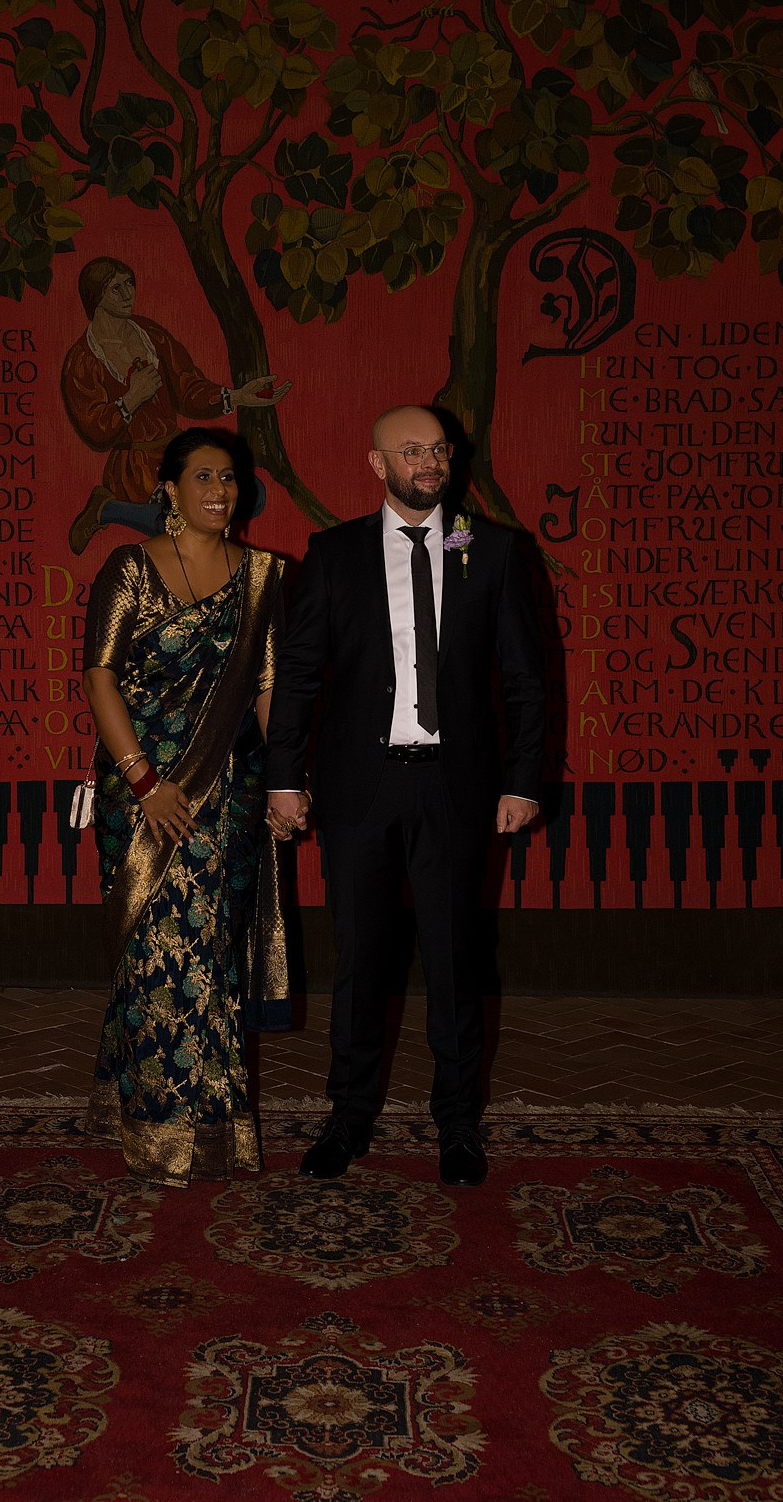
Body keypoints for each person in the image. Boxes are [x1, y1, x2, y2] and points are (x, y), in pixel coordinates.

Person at [265, 405, 545, 1187]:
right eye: (411, 449)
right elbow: (297, 677)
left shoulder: (487, 549)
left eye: (439, 449)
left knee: (455, 961)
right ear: (375, 462)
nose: (430, 460)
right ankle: (347, 1118)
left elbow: (523, 678)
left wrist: (521, 779)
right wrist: (284, 779)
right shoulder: (333, 555)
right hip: (360, 785)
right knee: (360, 959)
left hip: (455, 787)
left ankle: (456, 1125)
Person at [83, 426, 288, 1186]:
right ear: (167, 487)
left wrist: (285, 780)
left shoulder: (263, 575)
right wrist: (143, 779)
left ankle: (207, 1127)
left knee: (208, 961)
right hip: (140, 795)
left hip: (226, 795)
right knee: (150, 957)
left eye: (229, 477)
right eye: (202, 476)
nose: (219, 491)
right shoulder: (129, 568)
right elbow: (99, 676)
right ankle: (156, 1129)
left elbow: (268, 688)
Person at [61, 256, 290, 552]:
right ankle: (108, 508)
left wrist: (236, 396)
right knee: (177, 521)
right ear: (96, 296)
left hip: (177, 454)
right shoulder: (82, 359)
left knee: (252, 495)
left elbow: (187, 389)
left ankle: (115, 510)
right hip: (135, 468)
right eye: (115, 288)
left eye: (129, 283)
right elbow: (93, 429)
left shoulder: (150, 335)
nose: (128, 293)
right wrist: (132, 398)